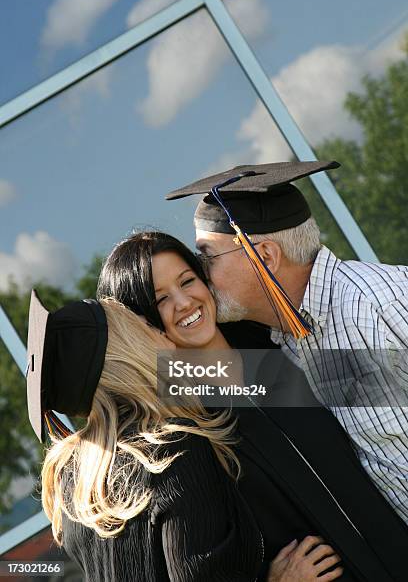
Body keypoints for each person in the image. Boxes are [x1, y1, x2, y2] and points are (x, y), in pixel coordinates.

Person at [97, 230, 408, 581]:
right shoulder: (181, 425)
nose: (184, 302)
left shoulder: (274, 347)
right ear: (142, 322)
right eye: (160, 300)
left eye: (187, 281)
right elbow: (199, 557)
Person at [26, 290, 342, 582]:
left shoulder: (72, 481)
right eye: (143, 326)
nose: (161, 331)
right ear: (127, 349)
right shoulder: (169, 449)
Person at [166, 159, 408, 527]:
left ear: (263, 256)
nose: (201, 274)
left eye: (208, 257)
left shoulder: (382, 301)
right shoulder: (283, 342)